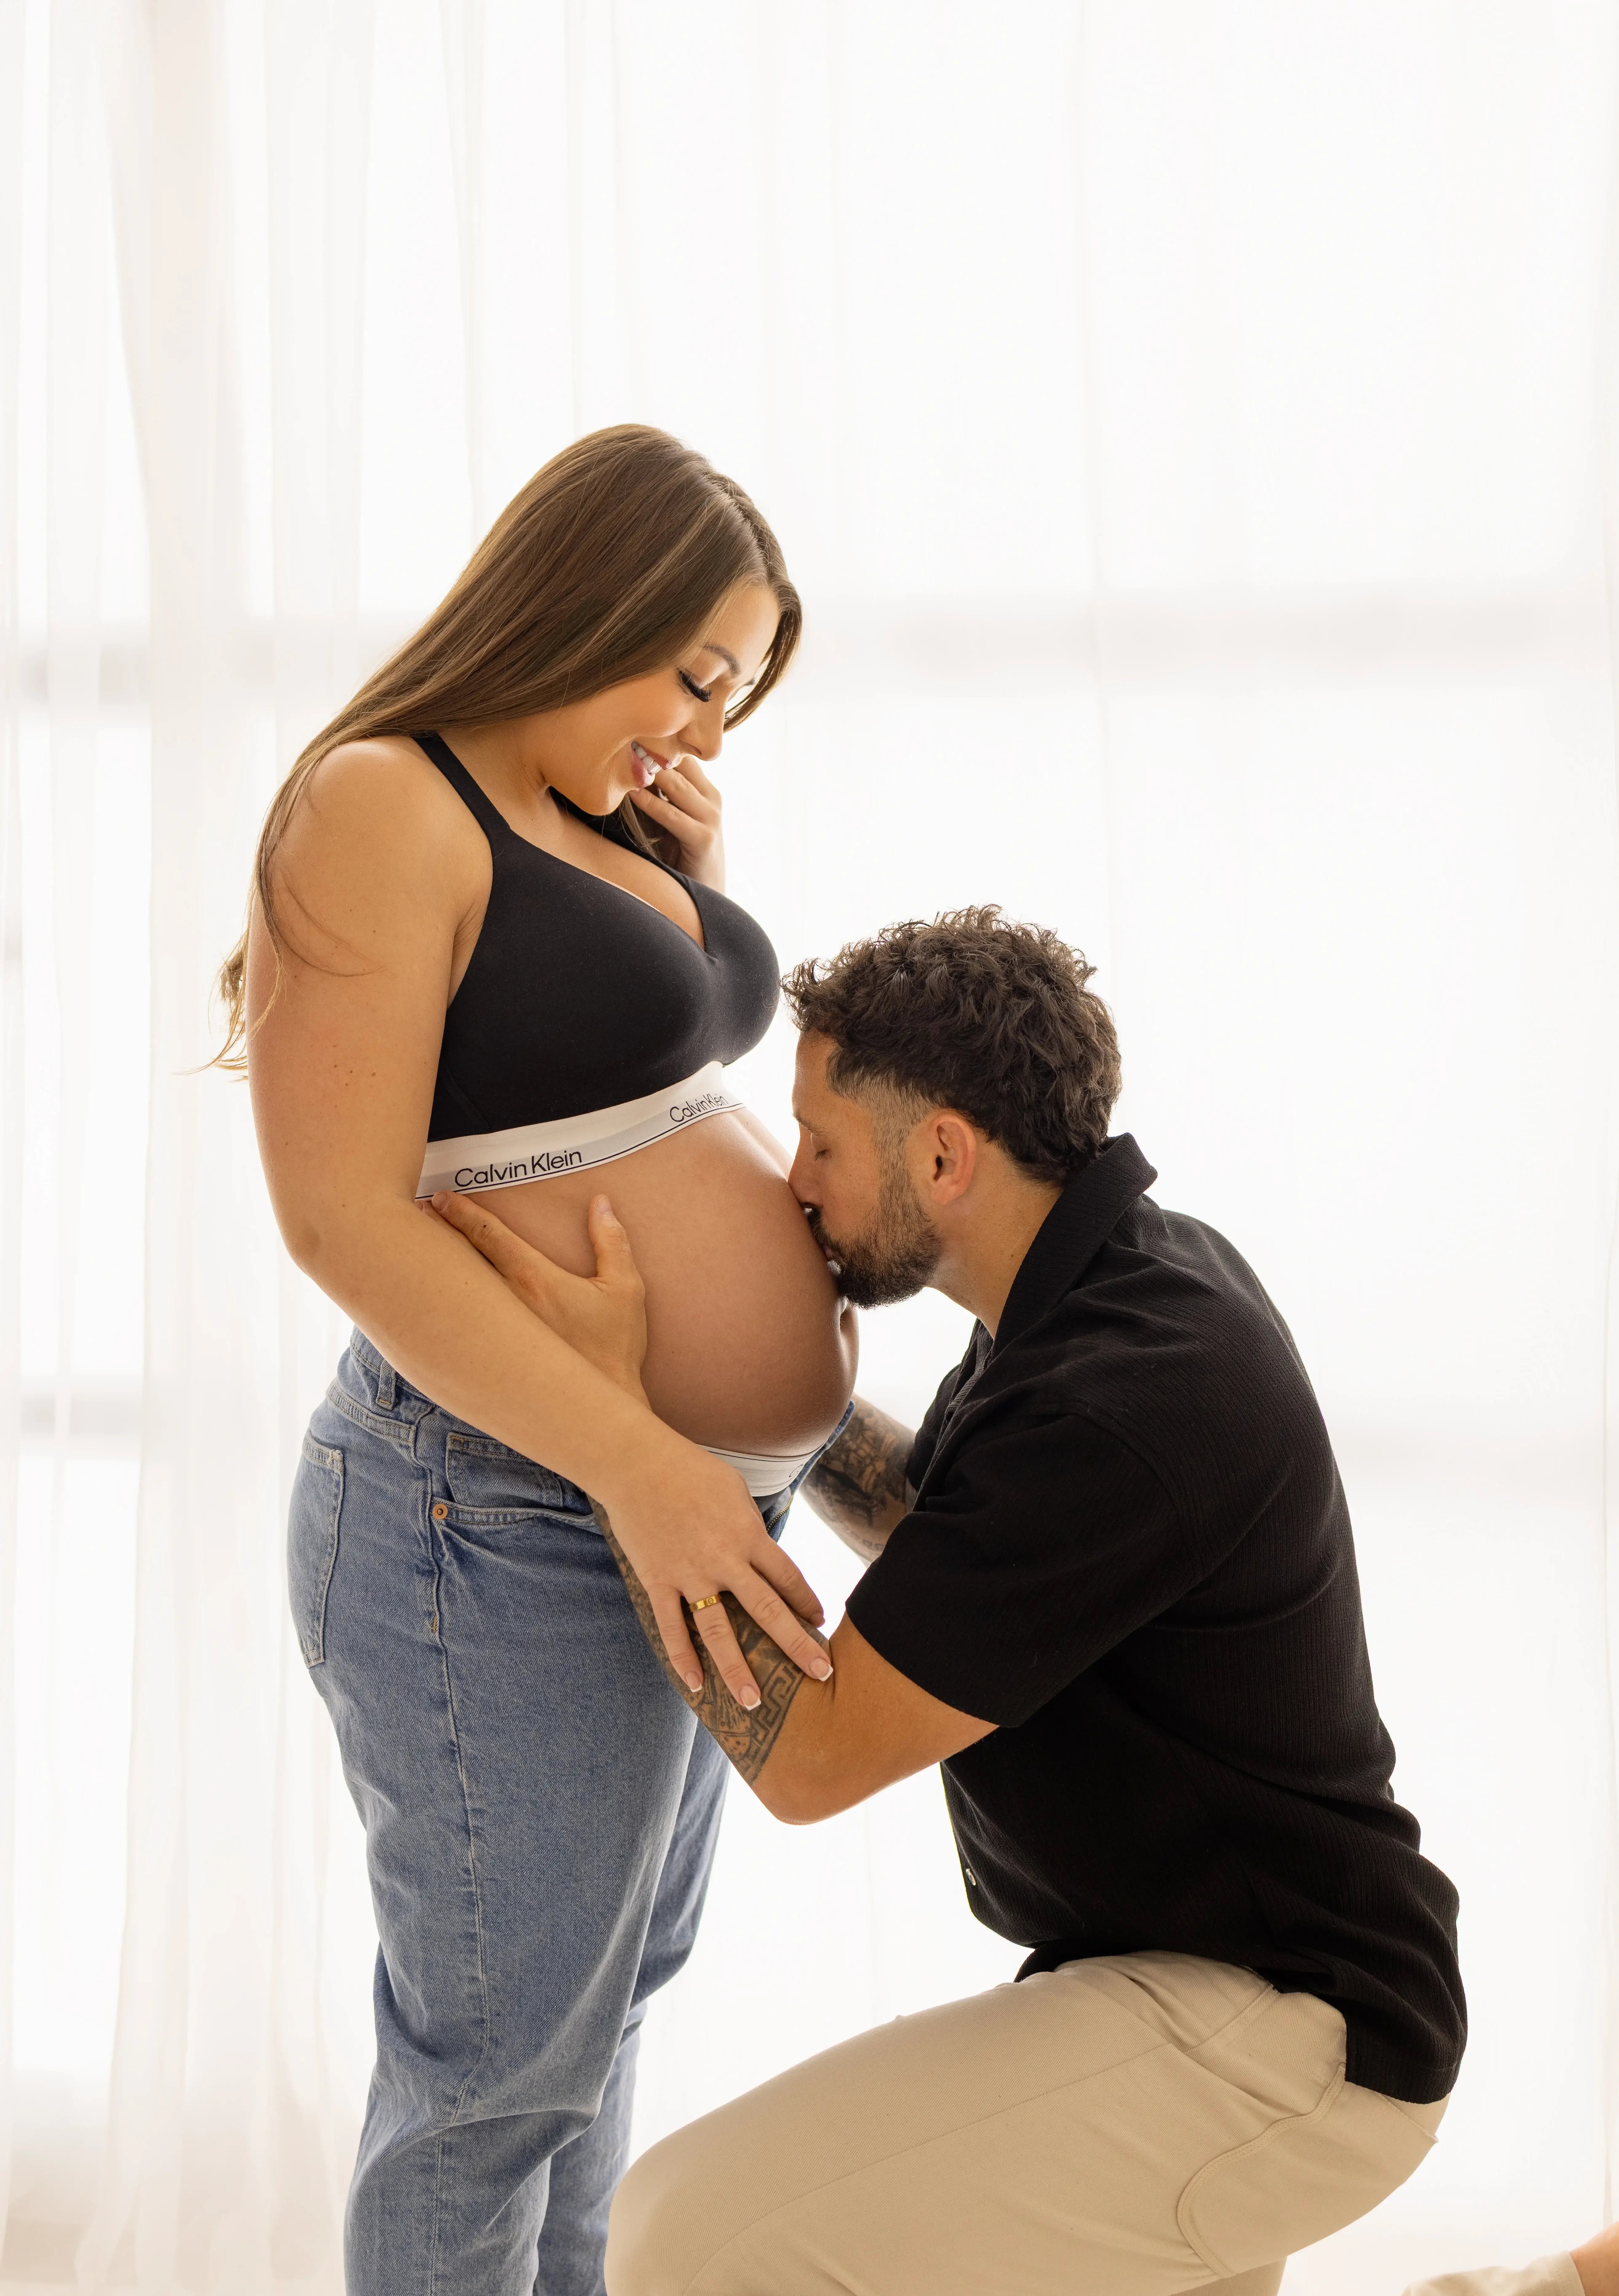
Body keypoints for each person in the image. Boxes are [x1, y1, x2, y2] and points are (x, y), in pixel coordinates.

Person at [429, 903, 1472, 2296]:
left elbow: (809, 1755)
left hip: (1281, 2033)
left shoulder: (1123, 1400)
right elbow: (952, 1528)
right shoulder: (1103, 1293)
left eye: (820, 1145)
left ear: (941, 1152)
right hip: (1207, 1982)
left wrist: (620, 1436)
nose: (791, 1183)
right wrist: (735, 1386)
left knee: (683, 2233)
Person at [232, 426, 857, 2296]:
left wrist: (695, 876)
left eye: (733, 699)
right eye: (696, 676)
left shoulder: (595, 819)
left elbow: (628, 1091)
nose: (709, 731)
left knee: (590, 2046)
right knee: (492, 2079)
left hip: (652, 1495)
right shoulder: (377, 799)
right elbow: (340, 1217)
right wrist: (640, 1456)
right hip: (496, 1506)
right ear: (593, 596)